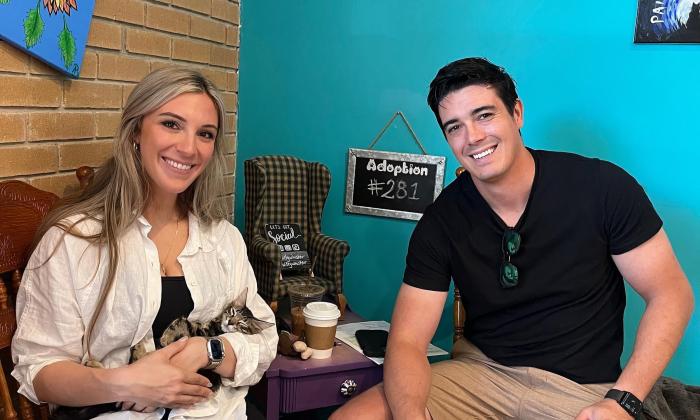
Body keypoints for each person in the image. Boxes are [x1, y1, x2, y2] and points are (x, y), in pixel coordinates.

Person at [331, 57, 694, 419]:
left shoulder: (602, 188)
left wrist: (623, 402)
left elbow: (670, 293)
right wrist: (411, 415)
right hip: (480, 374)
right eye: (454, 127)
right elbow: (408, 342)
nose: (472, 137)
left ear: (516, 113)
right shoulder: (442, 220)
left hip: (580, 391)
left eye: (484, 115)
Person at [11, 67, 278, 419]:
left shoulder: (223, 240)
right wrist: (128, 382)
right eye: (171, 124)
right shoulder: (73, 240)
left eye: (206, 134)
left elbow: (263, 339)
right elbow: (41, 370)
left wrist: (208, 349)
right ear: (136, 130)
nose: (188, 147)